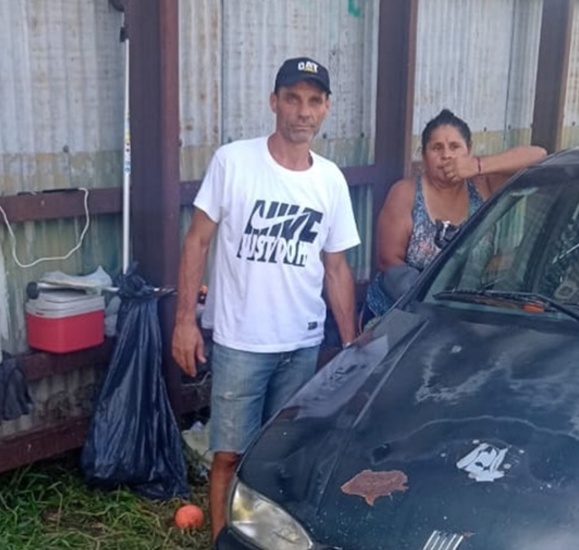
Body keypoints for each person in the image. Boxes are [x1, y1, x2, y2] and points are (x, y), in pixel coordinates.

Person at [171, 56, 361, 540]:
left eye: (314, 101)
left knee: (280, 457)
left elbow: (336, 268)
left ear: (326, 107)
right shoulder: (233, 162)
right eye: (293, 99)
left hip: (301, 343)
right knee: (229, 455)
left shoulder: (330, 180)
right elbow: (197, 240)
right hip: (241, 341)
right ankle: (223, 541)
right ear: (274, 102)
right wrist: (184, 321)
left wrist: (351, 346)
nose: (303, 111)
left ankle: (268, 540)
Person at [362, 109, 546, 326]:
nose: (446, 155)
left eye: (455, 147)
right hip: (400, 314)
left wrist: (478, 165)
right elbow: (388, 261)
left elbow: (539, 155)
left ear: (469, 151)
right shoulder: (405, 193)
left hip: (464, 317)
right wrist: (430, 305)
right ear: (424, 156)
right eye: (436, 147)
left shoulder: (483, 186)